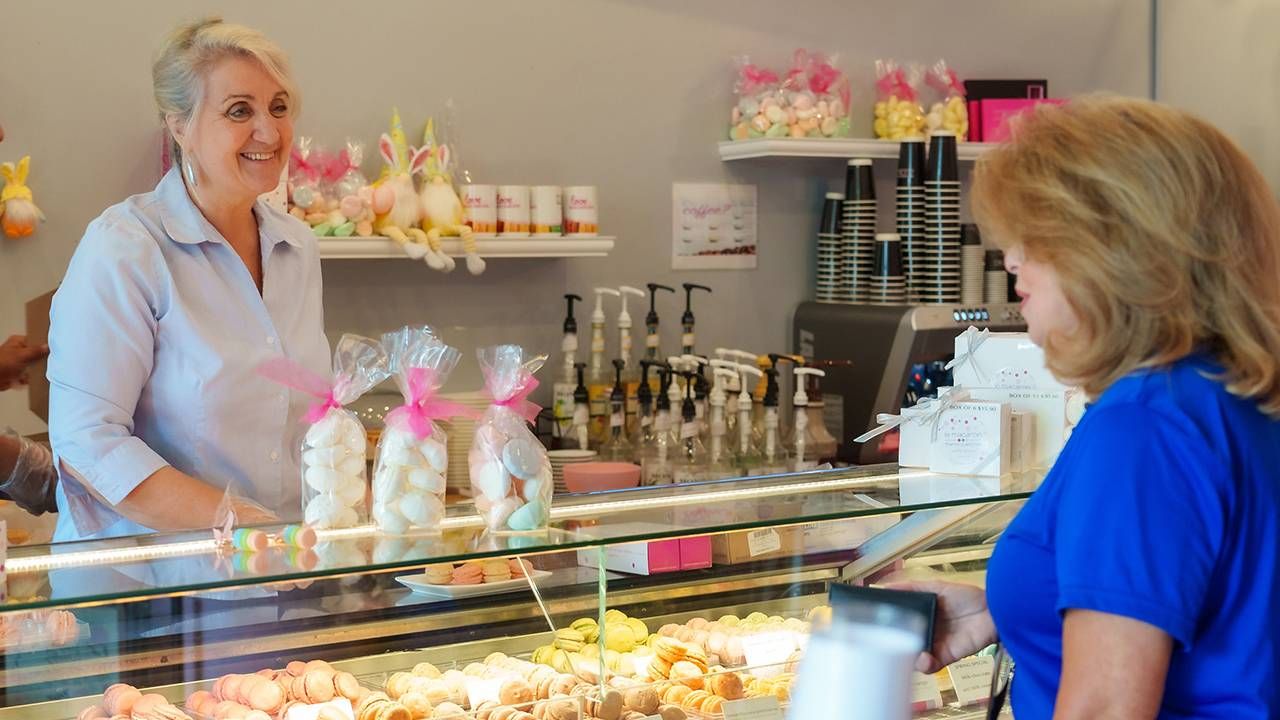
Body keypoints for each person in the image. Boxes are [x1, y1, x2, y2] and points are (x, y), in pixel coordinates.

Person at [905, 97, 1280, 718]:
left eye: (1035, 233)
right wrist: (1012, 611)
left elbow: (1103, 709)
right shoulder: (1223, 394)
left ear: (1118, 247)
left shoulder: (1143, 427)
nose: (1010, 258)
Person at [48, 18, 329, 541]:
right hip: (154, 593)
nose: (268, 131)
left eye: (280, 107)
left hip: (279, 575)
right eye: (239, 110)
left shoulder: (297, 247)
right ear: (179, 125)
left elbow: (298, 424)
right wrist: (238, 521)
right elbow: (88, 442)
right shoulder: (127, 247)